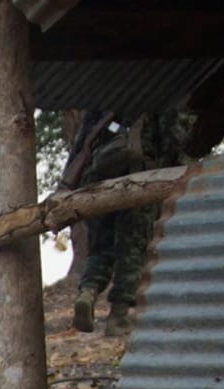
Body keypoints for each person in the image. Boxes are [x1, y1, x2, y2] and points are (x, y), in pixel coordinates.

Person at [63, 111, 185, 337]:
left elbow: (81, 147)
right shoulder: (157, 104)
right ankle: (117, 317)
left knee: (101, 248)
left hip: (99, 184)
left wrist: (67, 185)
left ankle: (88, 293)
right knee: (132, 252)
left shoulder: (101, 105)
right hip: (139, 183)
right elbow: (172, 144)